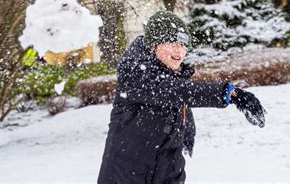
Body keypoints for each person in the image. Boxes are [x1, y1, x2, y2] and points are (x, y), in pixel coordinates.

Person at [97, 11, 266, 183]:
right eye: (172, 42)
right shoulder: (134, 73)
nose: (179, 49)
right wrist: (229, 93)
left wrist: (187, 135)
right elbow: (173, 92)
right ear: (153, 45)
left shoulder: (171, 75)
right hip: (127, 174)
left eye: (183, 44)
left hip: (168, 171)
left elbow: (179, 101)